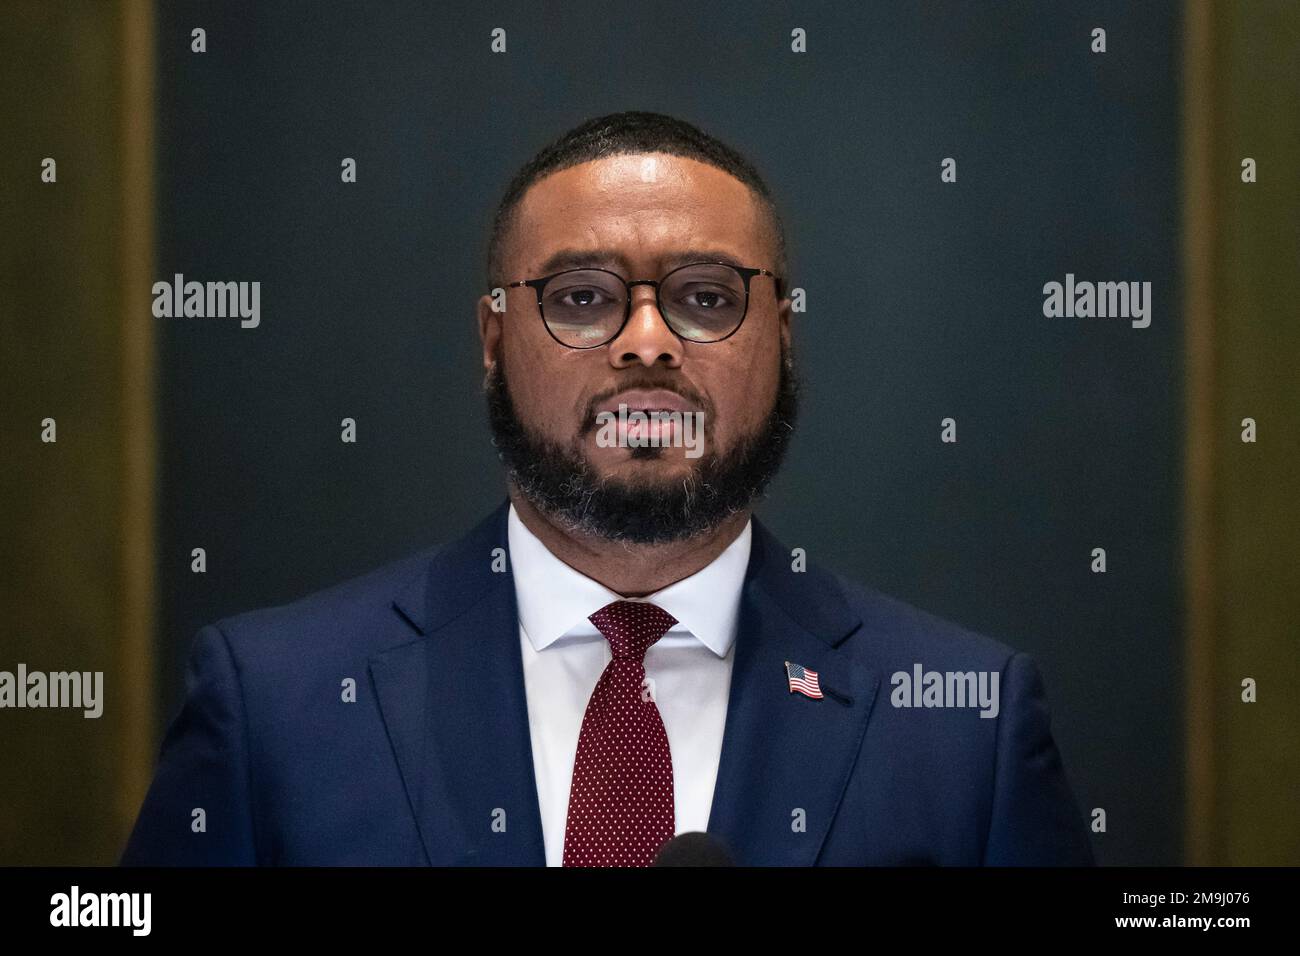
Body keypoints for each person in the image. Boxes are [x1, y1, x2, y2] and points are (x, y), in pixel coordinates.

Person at [121, 111, 1093, 866]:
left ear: (783, 337)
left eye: (706, 297)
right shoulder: (274, 706)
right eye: (581, 296)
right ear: (493, 340)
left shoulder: (965, 724)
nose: (646, 340)